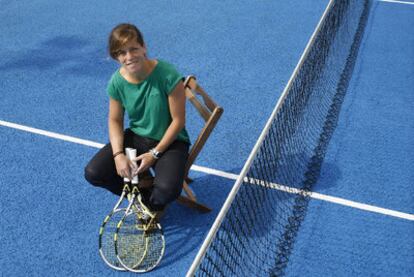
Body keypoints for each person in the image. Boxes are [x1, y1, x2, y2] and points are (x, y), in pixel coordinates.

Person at [84, 23, 190, 215]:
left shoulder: (167, 74)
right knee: (94, 173)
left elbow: (178, 121)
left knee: (168, 191)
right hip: (137, 137)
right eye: (121, 53)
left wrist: (155, 154)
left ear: (144, 47)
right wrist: (118, 156)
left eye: (133, 48)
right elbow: (115, 120)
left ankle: (153, 203)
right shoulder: (117, 82)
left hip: (171, 142)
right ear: (115, 57)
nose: (129, 57)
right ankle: (144, 195)